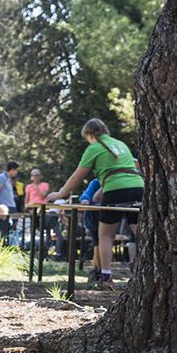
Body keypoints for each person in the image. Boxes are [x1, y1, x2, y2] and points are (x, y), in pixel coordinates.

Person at [49, 118, 144, 290]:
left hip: (115, 190)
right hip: (138, 187)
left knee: (105, 235)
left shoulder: (94, 148)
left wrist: (60, 194)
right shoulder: (120, 144)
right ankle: (148, 269)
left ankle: (106, 276)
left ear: (89, 135)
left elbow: (77, 177)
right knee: (141, 233)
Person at [0, 161, 20, 244]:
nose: (16, 172)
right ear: (12, 169)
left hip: (11, 205)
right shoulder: (2, 177)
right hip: (5, 207)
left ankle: (10, 244)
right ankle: (1, 244)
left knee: (12, 226)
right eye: (15, 170)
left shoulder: (9, 179)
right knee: (4, 227)